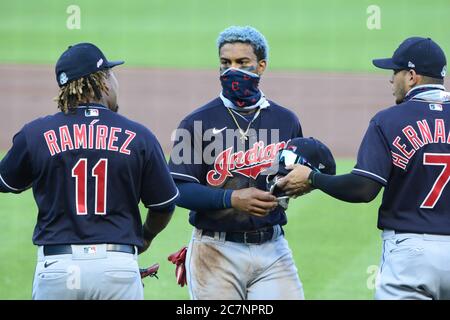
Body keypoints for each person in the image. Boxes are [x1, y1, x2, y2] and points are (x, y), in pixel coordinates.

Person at [0, 43, 179, 300]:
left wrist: (47, 169)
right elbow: (163, 205)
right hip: (116, 267)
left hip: (56, 269)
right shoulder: (140, 136)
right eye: (111, 73)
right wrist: (145, 237)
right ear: (103, 81)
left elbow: (7, 181)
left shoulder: (35, 134)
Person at [277, 37, 450, 300]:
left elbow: (364, 189)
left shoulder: (388, 121)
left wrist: (313, 178)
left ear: (412, 76)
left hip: (410, 257)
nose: (391, 80)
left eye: (395, 72)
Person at [168, 26, 304, 300]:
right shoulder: (195, 123)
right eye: (225, 63)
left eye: (242, 63)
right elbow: (178, 189)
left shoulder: (285, 120)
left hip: (273, 248)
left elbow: (298, 173)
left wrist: (302, 184)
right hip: (215, 250)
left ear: (261, 66)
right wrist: (231, 198)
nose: (232, 70)